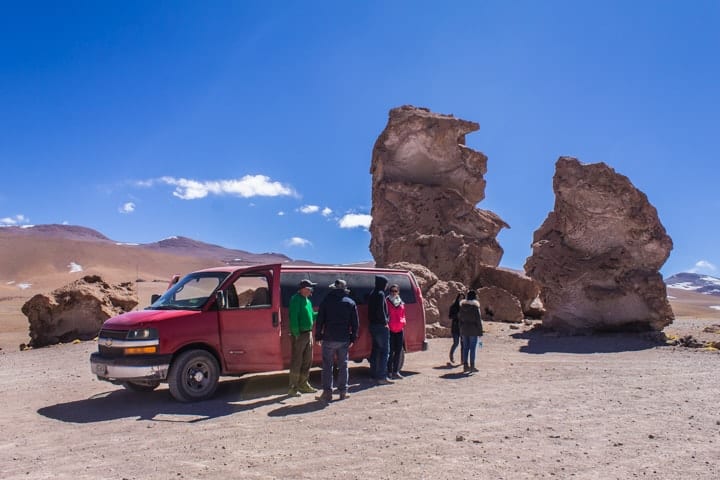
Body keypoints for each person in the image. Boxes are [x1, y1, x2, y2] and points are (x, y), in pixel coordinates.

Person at [315, 279, 359, 402]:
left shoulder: (326, 301)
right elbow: (355, 323)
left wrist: (318, 336)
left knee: (327, 365)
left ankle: (327, 393)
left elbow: (320, 320)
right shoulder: (350, 302)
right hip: (344, 338)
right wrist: (353, 337)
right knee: (343, 364)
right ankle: (343, 392)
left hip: (328, 338)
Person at [287, 279, 318, 397]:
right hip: (299, 334)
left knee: (307, 361)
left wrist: (321, 313)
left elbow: (311, 316)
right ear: (303, 289)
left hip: (308, 333)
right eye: (310, 288)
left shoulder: (307, 301)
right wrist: (296, 333)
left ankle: (303, 384)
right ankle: (293, 388)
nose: (311, 291)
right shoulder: (295, 299)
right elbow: (293, 317)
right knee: (297, 361)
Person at [367, 274, 393, 385]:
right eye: (386, 284)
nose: (387, 286)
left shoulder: (372, 293)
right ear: (383, 284)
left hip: (372, 325)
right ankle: (382, 377)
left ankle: (373, 375)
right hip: (380, 326)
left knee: (375, 351)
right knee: (384, 352)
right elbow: (381, 310)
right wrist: (385, 322)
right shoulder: (381, 294)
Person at [458, 289, 483, 374]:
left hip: (464, 330)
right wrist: (480, 332)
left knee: (465, 348)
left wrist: (460, 330)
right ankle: (472, 366)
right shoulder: (475, 307)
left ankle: (465, 366)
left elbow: (460, 319)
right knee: (473, 348)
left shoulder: (462, 307)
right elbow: (478, 320)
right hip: (473, 330)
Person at [386, 284, 406, 379]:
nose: (394, 293)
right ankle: (389, 371)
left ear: (398, 292)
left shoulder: (401, 302)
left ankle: (396, 371)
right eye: (392, 291)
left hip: (399, 329)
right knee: (390, 351)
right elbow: (385, 314)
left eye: (395, 291)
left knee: (398, 351)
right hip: (390, 329)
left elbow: (403, 314)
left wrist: (403, 321)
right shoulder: (387, 301)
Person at [448, 292, 465, 365]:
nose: (461, 299)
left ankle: (463, 360)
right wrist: (456, 316)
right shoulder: (453, 306)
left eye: (462, 298)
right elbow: (450, 316)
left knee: (463, 344)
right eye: (460, 298)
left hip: (463, 328)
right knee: (456, 343)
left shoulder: (465, 307)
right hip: (455, 327)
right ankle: (451, 355)